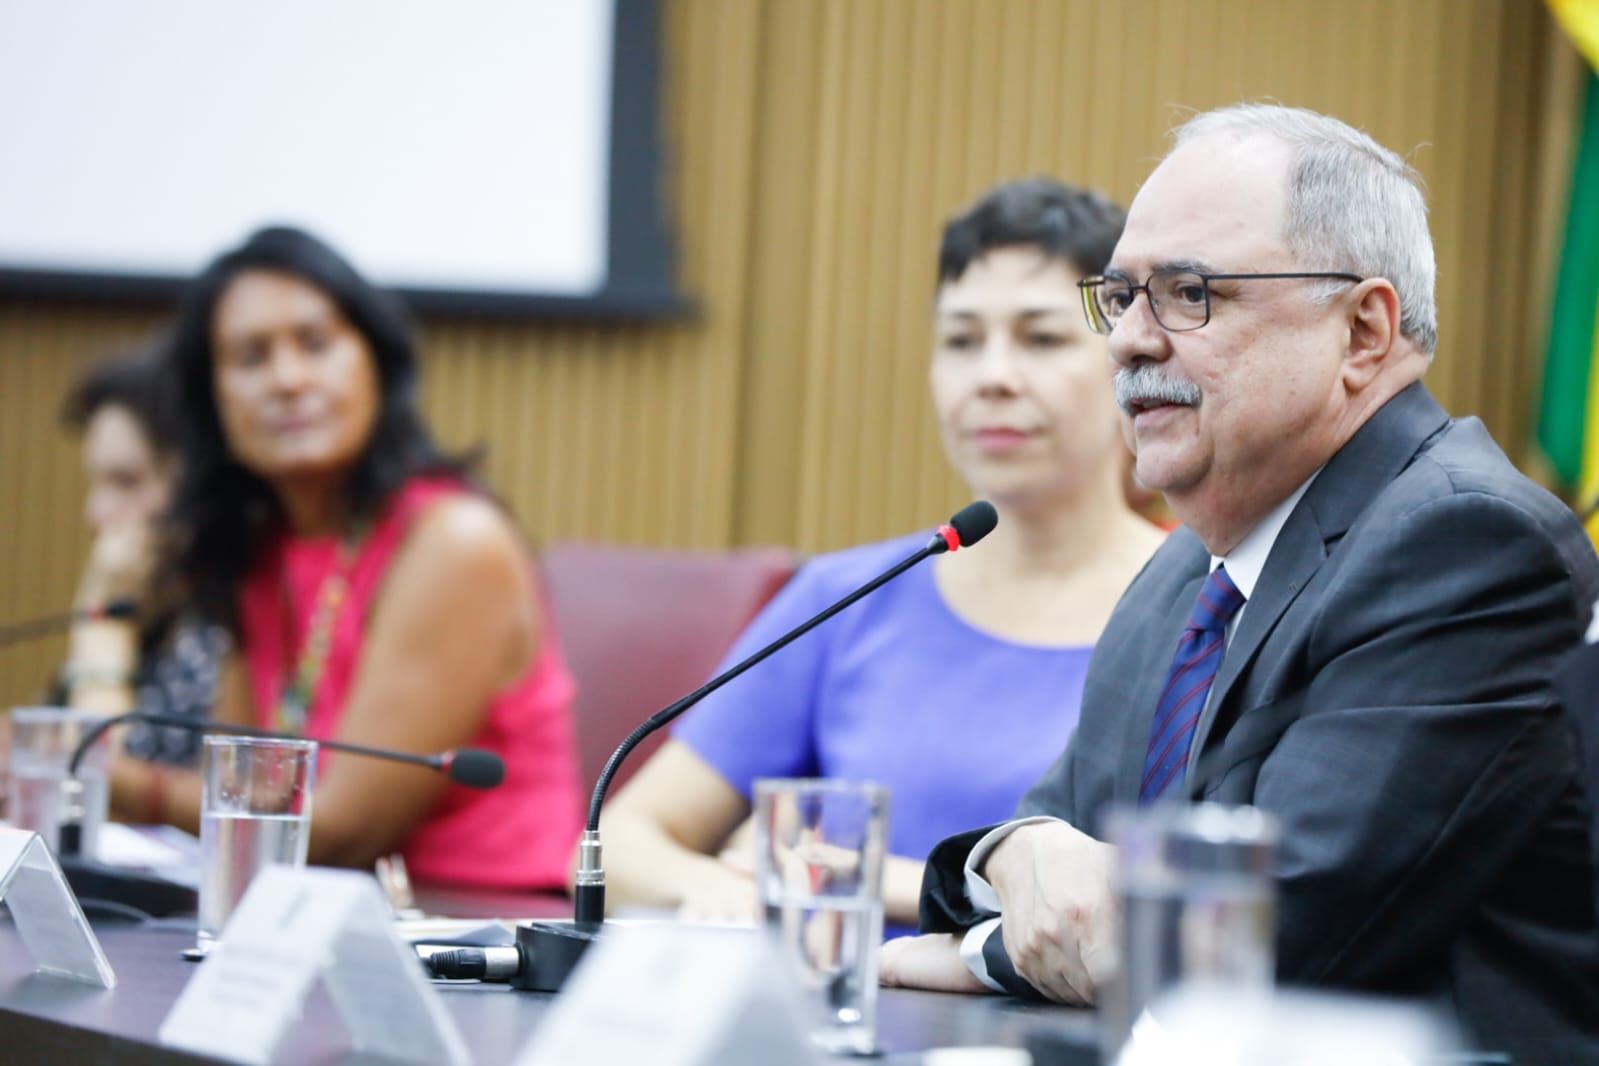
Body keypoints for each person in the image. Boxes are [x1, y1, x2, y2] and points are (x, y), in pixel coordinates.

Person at [879, 104, 1599, 1063]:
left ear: (1362, 332)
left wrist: (978, 955)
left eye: (1188, 293)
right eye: (1120, 296)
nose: (1127, 342)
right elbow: (1052, 847)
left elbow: (1274, 939)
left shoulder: (1468, 545)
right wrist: (1008, 854)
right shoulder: (1189, 566)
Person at [590, 179, 1167, 927]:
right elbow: (620, 844)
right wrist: (716, 891)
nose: (992, 376)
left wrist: (857, 877)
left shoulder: (1202, 610)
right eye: (960, 340)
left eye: (1042, 339)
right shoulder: (848, 595)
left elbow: (1168, 896)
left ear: (1125, 359)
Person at [114, 225, 583, 889]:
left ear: (376, 364)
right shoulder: (257, 549)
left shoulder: (455, 542)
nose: (287, 380)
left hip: (479, 923)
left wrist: (108, 779)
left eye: (315, 344)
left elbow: (335, 832)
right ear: (211, 398)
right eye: (250, 357)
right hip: (312, 913)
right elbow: (244, 788)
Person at [56, 353, 228, 779]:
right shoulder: (156, 607)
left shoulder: (225, 630)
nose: (96, 512)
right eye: (96, 482)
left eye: (126, 481)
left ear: (198, 485)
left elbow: (104, 782)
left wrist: (104, 623)